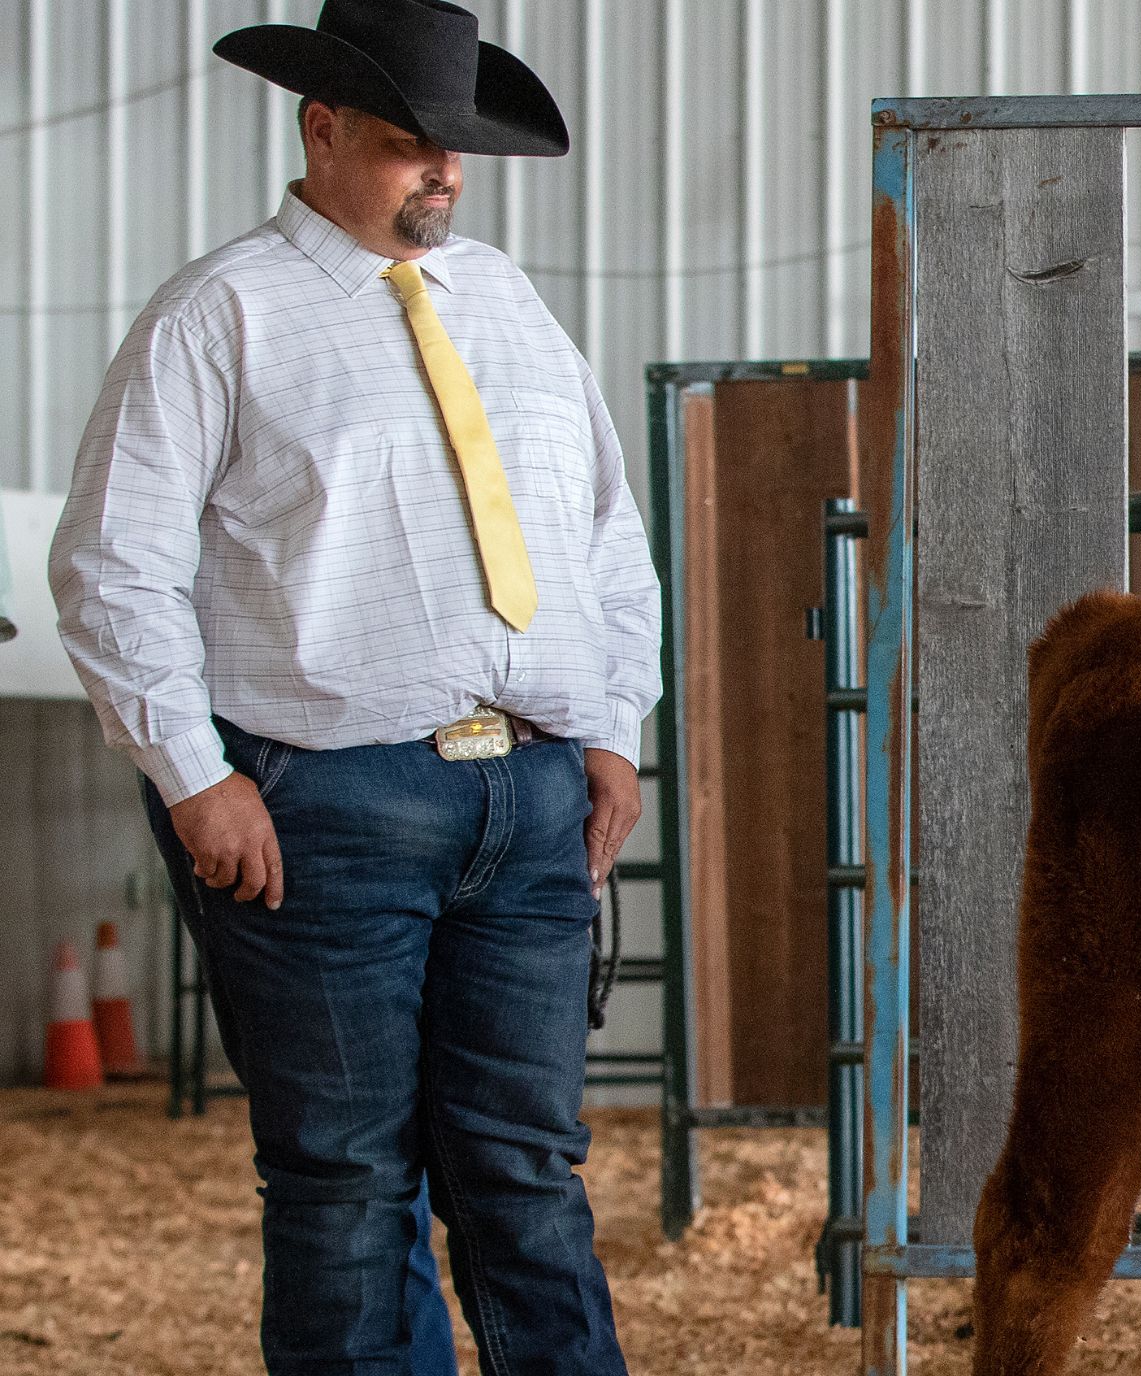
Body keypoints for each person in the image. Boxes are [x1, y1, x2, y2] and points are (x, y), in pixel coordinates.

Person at [47, 2, 655, 1371]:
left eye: (456, 150)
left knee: (529, 1172)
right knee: (344, 1178)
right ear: (319, 131)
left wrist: (613, 731)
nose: (441, 172)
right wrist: (196, 777)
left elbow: (605, 531)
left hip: (531, 795)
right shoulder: (220, 317)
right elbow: (110, 563)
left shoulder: (504, 302)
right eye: (406, 145)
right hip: (322, 807)